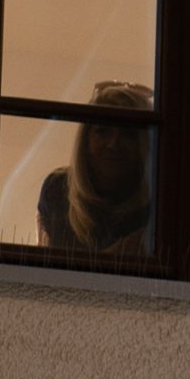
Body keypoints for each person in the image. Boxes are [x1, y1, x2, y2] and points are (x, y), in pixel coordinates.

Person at [36, 81, 157, 257]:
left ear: (144, 143)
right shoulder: (57, 190)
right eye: (103, 131)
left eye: (128, 134)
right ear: (85, 139)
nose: (113, 144)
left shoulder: (156, 202)